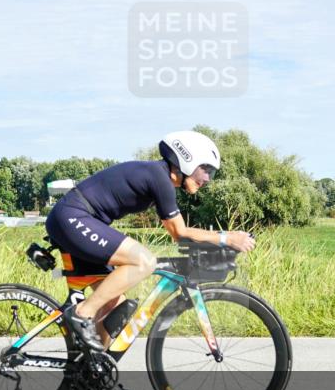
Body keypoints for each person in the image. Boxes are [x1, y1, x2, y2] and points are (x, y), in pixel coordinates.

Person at [44, 130, 256, 351]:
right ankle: (82, 313)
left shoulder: (158, 177)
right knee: (144, 261)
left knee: (113, 306)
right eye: (206, 170)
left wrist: (220, 240)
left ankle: (90, 367)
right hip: (73, 217)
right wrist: (227, 238)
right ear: (187, 161)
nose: (208, 178)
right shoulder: (159, 178)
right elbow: (179, 233)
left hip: (79, 220)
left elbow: (179, 233)